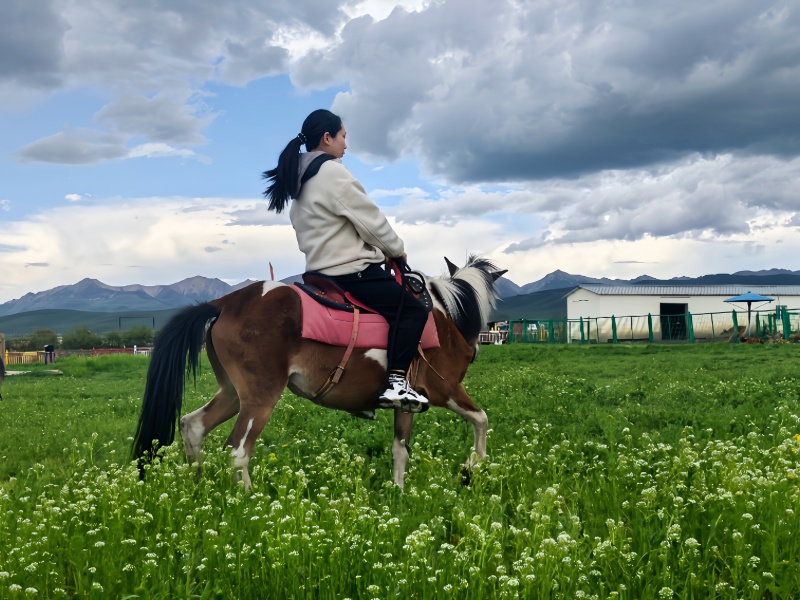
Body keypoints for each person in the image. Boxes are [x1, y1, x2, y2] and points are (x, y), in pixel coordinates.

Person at [262, 109, 429, 413]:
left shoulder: (298, 184)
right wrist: (396, 249)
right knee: (413, 311)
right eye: (343, 136)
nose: (346, 144)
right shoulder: (332, 173)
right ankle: (396, 383)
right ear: (326, 138)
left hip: (318, 274)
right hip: (352, 273)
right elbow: (369, 220)